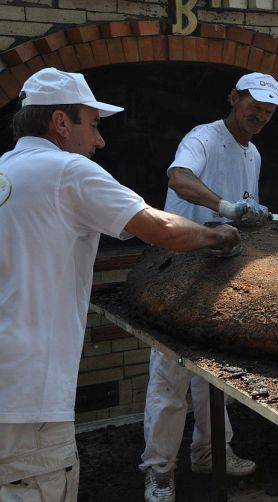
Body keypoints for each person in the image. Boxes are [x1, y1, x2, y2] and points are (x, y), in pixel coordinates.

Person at [0, 69, 239, 502]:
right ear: (60, 122)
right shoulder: (67, 170)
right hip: (27, 395)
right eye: (93, 124)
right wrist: (218, 235)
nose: (100, 140)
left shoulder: (5, 171)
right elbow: (161, 228)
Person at [140, 72, 278, 501]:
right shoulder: (202, 137)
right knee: (170, 378)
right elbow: (179, 179)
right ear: (234, 98)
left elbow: (238, 217)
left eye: (269, 110)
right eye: (254, 104)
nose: (261, 114)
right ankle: (159, 471)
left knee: (215, 376)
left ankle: (210, 452)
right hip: (178, 269)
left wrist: (250, 218)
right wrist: (225, 206)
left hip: (219, 273)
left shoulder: (253, 153)